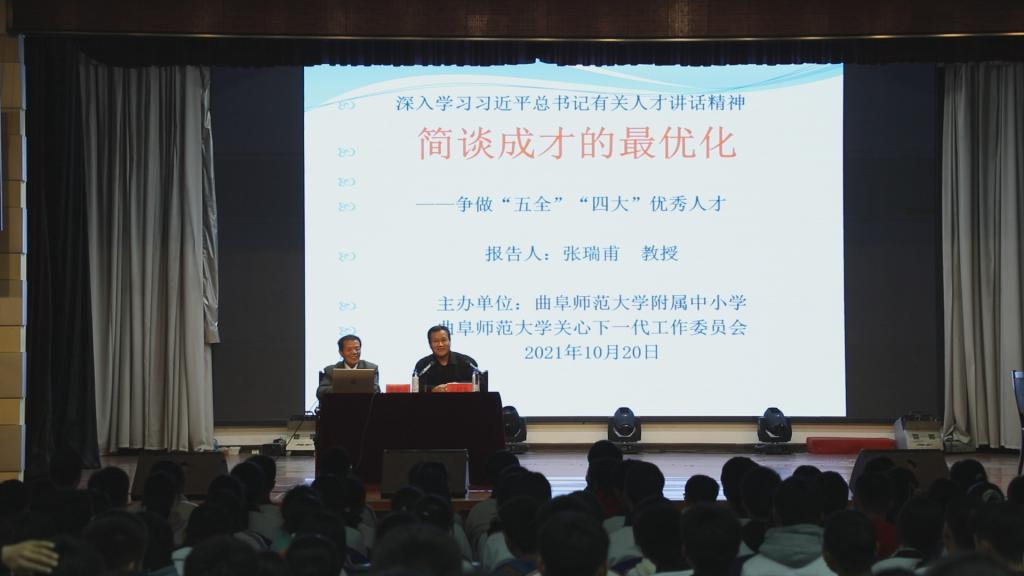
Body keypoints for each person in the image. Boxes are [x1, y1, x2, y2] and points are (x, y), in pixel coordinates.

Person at [412, 325, 478, 393]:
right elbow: (416, 389)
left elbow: (480, 386)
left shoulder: (467, 362)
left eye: (444, 340)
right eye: (435, 341)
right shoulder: (422, 365)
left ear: (450, 341)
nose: (440, 344)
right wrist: (432, 390)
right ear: (430, 344)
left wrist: (457, 387)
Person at [317, 334, 379, 398]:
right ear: (341, 352)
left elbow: (376, 390)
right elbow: (320, 392)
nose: (354, 352)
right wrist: (347, 387)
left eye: (357, 349)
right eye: (349, 350)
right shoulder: (331, 370)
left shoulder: (371, 368)